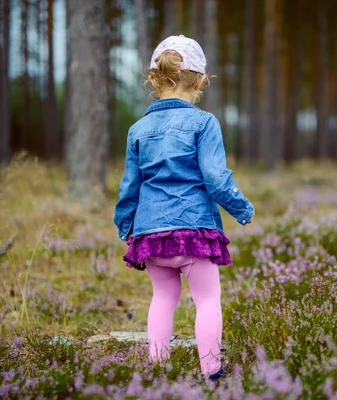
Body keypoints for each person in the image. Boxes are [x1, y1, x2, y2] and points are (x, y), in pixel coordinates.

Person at [113, 35, 254, 382]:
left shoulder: (137, 130)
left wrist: (126, 227)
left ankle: (157, 369)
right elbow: (216, 180)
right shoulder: (204, 123)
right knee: (207, 300)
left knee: (163, 298)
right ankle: (212, 370)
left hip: (151, 235)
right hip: (193, 231)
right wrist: (242, 208)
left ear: (154, 79)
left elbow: (129, 187)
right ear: (201, 81)